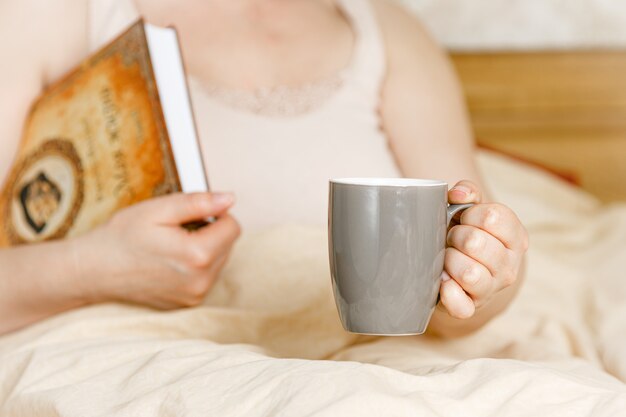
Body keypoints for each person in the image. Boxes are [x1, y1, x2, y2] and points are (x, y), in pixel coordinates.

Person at [0, 0, 528, 338]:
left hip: (371, 384)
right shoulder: (53, 12)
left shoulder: (387, 32)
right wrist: (92, 270)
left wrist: (490, 269)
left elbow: (462, 295)